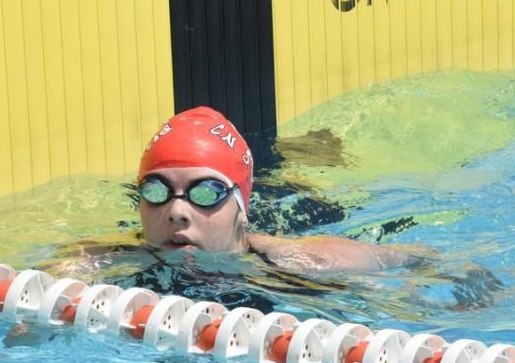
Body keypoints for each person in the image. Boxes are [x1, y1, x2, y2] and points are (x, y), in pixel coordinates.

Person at [136, 106, 422, 274]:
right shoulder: (121, 258)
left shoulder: (307, 263)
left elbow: (418, 259)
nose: (176, 211)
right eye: (155, 190)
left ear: (241, 209)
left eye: (206, 192)